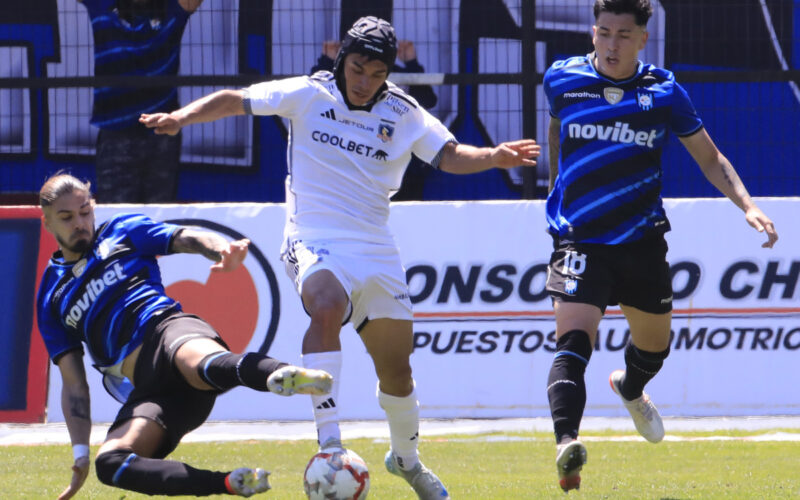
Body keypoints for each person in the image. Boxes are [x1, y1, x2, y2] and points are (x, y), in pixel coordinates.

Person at [141, 16, 540, 500]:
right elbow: (235, 99)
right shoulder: (307, 93)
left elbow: (448, 154)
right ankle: (330, 445)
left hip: (374, 246)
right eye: (357, 67)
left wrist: (492, 157)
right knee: (325, 303)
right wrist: (180, 118)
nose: (364, 80)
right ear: (341, 60)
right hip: (312, 235)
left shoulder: (404, 110)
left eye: (376, 73)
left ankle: (407, 462)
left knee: (397, 370)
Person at [542, 0, 779, 492]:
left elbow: (711, 159)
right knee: (573, 341)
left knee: (654, 348)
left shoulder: (664, 92)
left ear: (643, 39)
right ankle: (567, 445)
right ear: (592, 32)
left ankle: (631, 388)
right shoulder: (561, 78)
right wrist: (553, 187)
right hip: (578, 237)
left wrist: (748, 206)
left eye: (623, 35)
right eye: (603, 32)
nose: (611, 44)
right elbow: (556, 131)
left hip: (640, 241)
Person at [36, 173, 333, 499]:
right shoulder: (51, 296)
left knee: (203, 364)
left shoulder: (122, 231)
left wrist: (220, 248)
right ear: (48, 222)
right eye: (66, 217)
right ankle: (228, 483)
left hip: (166, 331)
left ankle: (281, 374)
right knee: (111, 464)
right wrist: (80, 454)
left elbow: (184, 237)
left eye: (85, 212)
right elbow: (74, 384)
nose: (80, 223)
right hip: (153, 390)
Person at [77, 0, 202, 203]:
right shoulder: (101, 4)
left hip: (162, 131)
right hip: (116, 134)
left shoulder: (172, 9)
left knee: (160, 219)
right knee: (117, 218)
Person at [311, 38, 438, 201]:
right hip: (354, 166)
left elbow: (427, 100)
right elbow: (314, 96)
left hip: (399, 168)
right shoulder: (343, 78)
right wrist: (327, 61)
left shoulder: (396, 75)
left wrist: (411, 64)